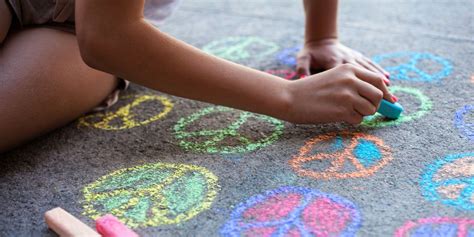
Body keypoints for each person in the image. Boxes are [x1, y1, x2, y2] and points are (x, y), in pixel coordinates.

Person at [0, 0, 397, 152]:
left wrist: (322, 34)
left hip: (86, 28)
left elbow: (104, 35)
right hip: (102, 30)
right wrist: (286, 97)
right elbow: (106, 37)